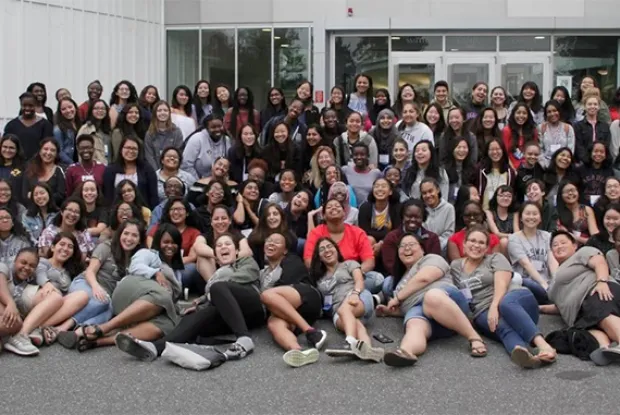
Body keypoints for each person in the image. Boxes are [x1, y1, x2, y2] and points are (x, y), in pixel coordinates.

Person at [115, 233, 265, 362]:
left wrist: (210, 295)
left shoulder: (245, 262)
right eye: (219, 245)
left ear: (237, 250)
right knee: (193, 317)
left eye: (227, 244)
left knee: (217, 287)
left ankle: (244, 339)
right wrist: (199, 306)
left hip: (253, 305)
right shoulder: (217, 274)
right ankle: (156, 347)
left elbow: (246, 277)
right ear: (215, 254)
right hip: (233, 314)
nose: (223, 247)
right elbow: (215, 296)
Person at [450, 225, 557, 368]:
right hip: (482, 310)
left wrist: (495, 306)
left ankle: (544, 346)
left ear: (487, 247)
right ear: (464, 244)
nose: (476, 245)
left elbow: (502, 283)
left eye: (481, 243)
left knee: (506, 304)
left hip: (514, 299)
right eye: (472, 241)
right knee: (503, 329)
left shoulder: (495, 258)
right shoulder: (456, 266)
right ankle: (524, 354)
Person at [379, 233, 487, 366]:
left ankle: (474, 337)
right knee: (413, 324)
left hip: (448, 302)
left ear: (423, 249)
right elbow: (407, 305)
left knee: (431, 297)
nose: (406, 248)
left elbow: (425, 278)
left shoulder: (432, 259)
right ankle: (406, 352)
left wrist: (398, 297)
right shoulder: (399, 281)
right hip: (425, 314)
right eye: (402, 246)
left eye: (411, 244)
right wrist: (390, 312)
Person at [59, 248, 180, 352]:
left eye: (174, 242)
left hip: (156, 306)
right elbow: (135, 266)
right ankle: (104, 328)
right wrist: (156, 273)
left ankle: (98, 341)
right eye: (166, 241)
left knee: (165, 327)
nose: (169, 246)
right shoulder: (150, 254)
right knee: (162, 296)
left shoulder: (177, 272)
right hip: (134, 289)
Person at [55, 219, 145, 349]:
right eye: (126, 233)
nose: (129, 238)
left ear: (140, 240)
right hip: (87, 284)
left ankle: (78, 333)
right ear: (120, 234)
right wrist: (96, 287)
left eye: (134, 235)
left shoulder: (138, 258)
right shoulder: (106, 247)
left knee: (109, 311)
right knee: (103, 302)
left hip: (106, 296)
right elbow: (90, 271)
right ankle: (63, 327)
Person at [548, 231, 620, 365]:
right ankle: (605, 349)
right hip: (579, 312)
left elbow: (599, 263)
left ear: (574, 245)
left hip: (597, 291)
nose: (559, 246)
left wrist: (602, 281)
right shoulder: (555, 279)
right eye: (555, 245)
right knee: (588, 327)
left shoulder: (582, 253)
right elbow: (560, 305)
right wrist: (538, 308)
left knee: (601, 312)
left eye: (563, 242)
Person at [311, 238, 384, 362]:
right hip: (337, 311)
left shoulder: (349, 264)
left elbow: (359, 280)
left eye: (329, 246)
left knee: (345, 310)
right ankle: (369, 350)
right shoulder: (318, 277)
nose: (327, 250)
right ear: (319, 257)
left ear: (336, 249)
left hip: (357, 297)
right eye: (322, 249)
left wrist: (355, 293)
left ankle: (349, 342)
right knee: (356, 324)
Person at [259, 232, 326, 367]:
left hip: (307, 296)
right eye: (269, 240)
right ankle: (297, 351)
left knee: (266, 295)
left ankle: (311, 332)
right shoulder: (262, 273)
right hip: (294, 313)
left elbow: (285, 284)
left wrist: (267, 300)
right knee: (273, 324)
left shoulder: (291, 260)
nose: (271, 243)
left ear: (285, 250)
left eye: (277, 242)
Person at [304, 199, 382, 294]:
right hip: (327, 277)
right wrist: (332, 274)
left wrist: (352, 273)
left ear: (345, 214)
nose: (333, 207)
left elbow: (369, 261)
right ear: (323, 216)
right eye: (329, 207)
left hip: (352, 276)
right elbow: (309, 261)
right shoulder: (316, 233)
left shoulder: (357, 232)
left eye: (337, 206)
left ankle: (346, 293)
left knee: (377, 279)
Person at [0, 247, 63, 356]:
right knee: (14, 321)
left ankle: (23, 334)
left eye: (32, 265)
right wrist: (10, 304)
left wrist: (47, 284)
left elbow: (42, 271)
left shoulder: (33, 275)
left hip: (12, 309)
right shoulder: (4, 266)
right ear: (15, 260)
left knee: (16, 322)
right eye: (23, 263)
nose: (26, 267)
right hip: (5, 302)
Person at [28, 232, 88, 346]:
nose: (65, 249)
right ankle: (35, 327)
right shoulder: (43, 261)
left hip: (57, 305)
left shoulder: (69, 271)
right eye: (62, 244)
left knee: (83, 296)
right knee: (53, 295)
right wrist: (46, 283)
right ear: (53, 247)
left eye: (70, 247)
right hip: (40, 298)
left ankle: (39, 328)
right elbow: (39, 273)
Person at [508, 202, 558, 304]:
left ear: (540, 218)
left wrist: (556, 281)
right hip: (526, 282)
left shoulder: (547, 236)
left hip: (547, 283)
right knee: (530, 286)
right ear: (521, 218)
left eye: (535, 214)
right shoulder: (514, 239)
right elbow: (526, 264)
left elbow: (551, 261)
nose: (531, 217)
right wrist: (544, 285)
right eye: (527, 213)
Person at [147, 197, 201, 287]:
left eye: (179, 209)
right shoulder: (158, 227)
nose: (176, 212)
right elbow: (150, 248)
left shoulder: (194, 232)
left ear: (187, 212)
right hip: (158, 265)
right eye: (172, 209)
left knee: (192, 268)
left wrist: (174, 264)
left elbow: (192, 257)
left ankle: (171, 287)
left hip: (180, 267)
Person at [382, 199, 441, 278]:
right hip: (399, 277)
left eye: (417, 217)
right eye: (408, 216)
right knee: (388, 283)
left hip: (426, 277)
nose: (413, 220)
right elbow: (390, 265)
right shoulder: (392, 237)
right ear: (402, 216)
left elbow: (435, 264)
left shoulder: (432, 238)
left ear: (423, 218)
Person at [103, 136, 158, 209]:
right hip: (116, 213)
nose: (131, 151)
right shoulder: (110, 170)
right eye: (128, 148)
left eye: (134, 149)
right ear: (121, 149)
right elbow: (108, 196)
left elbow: (153, 196)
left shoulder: (147, 169)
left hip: (141, 212)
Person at [358, 177, 401, 259]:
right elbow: (364, 232)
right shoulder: (365, 207)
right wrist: (386, 231)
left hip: (390, 241)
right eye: (377, 186)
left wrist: (382, 242)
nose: (380, 189)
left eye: (383, 186)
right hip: (371, 243)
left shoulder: (397, 208)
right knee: (369, 239)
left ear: (390, 191)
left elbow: (397, 231)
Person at [3, 92, 53, 160]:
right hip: (16, 164)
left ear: (35, 105)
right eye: (24, 105)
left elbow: (48, 146)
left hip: (37, 164)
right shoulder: (11, 125)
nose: (27, 108)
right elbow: (6, 146)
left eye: (30, 105)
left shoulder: (45, 125)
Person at [182, 114, 231, 180]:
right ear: (206, 128)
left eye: (220, 126)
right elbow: (186, 165)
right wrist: (199, 182)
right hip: (197, 181)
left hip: (219, 182)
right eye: (213, 127)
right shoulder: (197, 139)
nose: (217, 129)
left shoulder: (226, 140)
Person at [247, 203, 297, 269]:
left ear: (281, 217)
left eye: (275, 214)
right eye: (268, 215)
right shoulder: (255, 238)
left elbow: (291, 261)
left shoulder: (290, 237)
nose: (271, 217)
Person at [21, 137, 65, 207]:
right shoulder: (30, 169)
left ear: (56, 154)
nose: (48, 152)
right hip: (32, 212)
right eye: (45, 149)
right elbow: (25, 194)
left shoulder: (60, 170)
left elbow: (60, 195)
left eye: (52, 150)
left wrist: (36, 196)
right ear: (40, 151)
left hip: (53, 212)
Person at [473, 138, 516, 210]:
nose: (495, 152)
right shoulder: (479, 170)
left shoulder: (509, 172)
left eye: (498, 149)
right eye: (491, 149)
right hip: (483, 211)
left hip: (502, 213)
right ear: (487, 151)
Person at [556, 180, 599, 246]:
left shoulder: (586, 210)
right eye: (567, 192)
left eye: (573, 190)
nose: (570, 193)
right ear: (561, 195)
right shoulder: (557, 212)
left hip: (586, 247)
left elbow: (595, 238)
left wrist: (572, 236)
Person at [144, 101, 184, 171]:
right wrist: (158, 173)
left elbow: (178, 154)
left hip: (174, 171)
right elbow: (149, 157)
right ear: (155, 114)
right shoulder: (149, 134)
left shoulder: (177, 132)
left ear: (169, 113)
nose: (162, 113)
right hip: (155, 173)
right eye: (159, 110)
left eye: (165, 110)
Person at [574, 89, 612, 163]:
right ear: (584, 106)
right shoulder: (578, 126)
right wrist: (588, 161)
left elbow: (606, 145)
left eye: (595, 104)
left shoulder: (605, 126)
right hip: (583, 164)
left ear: (599, 107)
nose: (592, 106)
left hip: (601, 163)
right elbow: (579, 147)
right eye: (589, 104)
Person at [420, 178, 455, 253]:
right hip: (423, 249)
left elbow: (449, 234)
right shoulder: (420, 209)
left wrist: (434, 246)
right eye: (424, 193)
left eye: (430, 191)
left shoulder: (448, 208)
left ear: (438, 190)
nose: (428, 195)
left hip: (442, 250)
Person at [538, 100, 575, 168]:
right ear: (546, 114)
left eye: (555, 110)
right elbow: (539, 150)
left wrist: (561, 163)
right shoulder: (541, 128)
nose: (552, 114)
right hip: (545, 167)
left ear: (559, 111)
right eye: (549, 112)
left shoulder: (568, 128)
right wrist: (546, 165)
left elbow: (570, 150)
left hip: (564, 165)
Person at [502, 102, 539, 169]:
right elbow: (505, 154)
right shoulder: (507, 130)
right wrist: (513, 170)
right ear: (513, 114)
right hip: (511, 168)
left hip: (528, 168)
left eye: (524, 113)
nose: (521, 116)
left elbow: (535, 152)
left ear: (528, 116)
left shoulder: (533, 131)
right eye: (518, 113)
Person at [76, 99, 112, 164]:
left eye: (103, 108)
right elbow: (80, 153)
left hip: (108, 168)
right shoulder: (85, 129)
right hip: (93, 169)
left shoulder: (109, 129)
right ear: (91, 111)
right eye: (96, 108)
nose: (100, 110)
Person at [485, 185, 517, 255]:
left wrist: (511, 237)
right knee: (504, 241)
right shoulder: (489, 212)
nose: (505, 198)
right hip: (494, 243)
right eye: (501, 195)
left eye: (509, 196)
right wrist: (511, 236)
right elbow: (496, 233)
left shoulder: (514, 213)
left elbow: (517, 233)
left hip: (511, 243)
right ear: (496, 197)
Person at [443, 137, 475, 202]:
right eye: (458, 147)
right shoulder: (444, 169)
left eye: (464, 147)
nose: (462, 150)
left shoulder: (472, 169)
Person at [53, 97, 82, 166]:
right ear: (60, 112)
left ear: (75, 107)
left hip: (81, 164)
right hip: (67, 165)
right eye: (63, 109)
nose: (68, 110)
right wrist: (73, 164)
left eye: (70, 107)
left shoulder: (81, 125)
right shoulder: (58, 129)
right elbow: (59, 151)